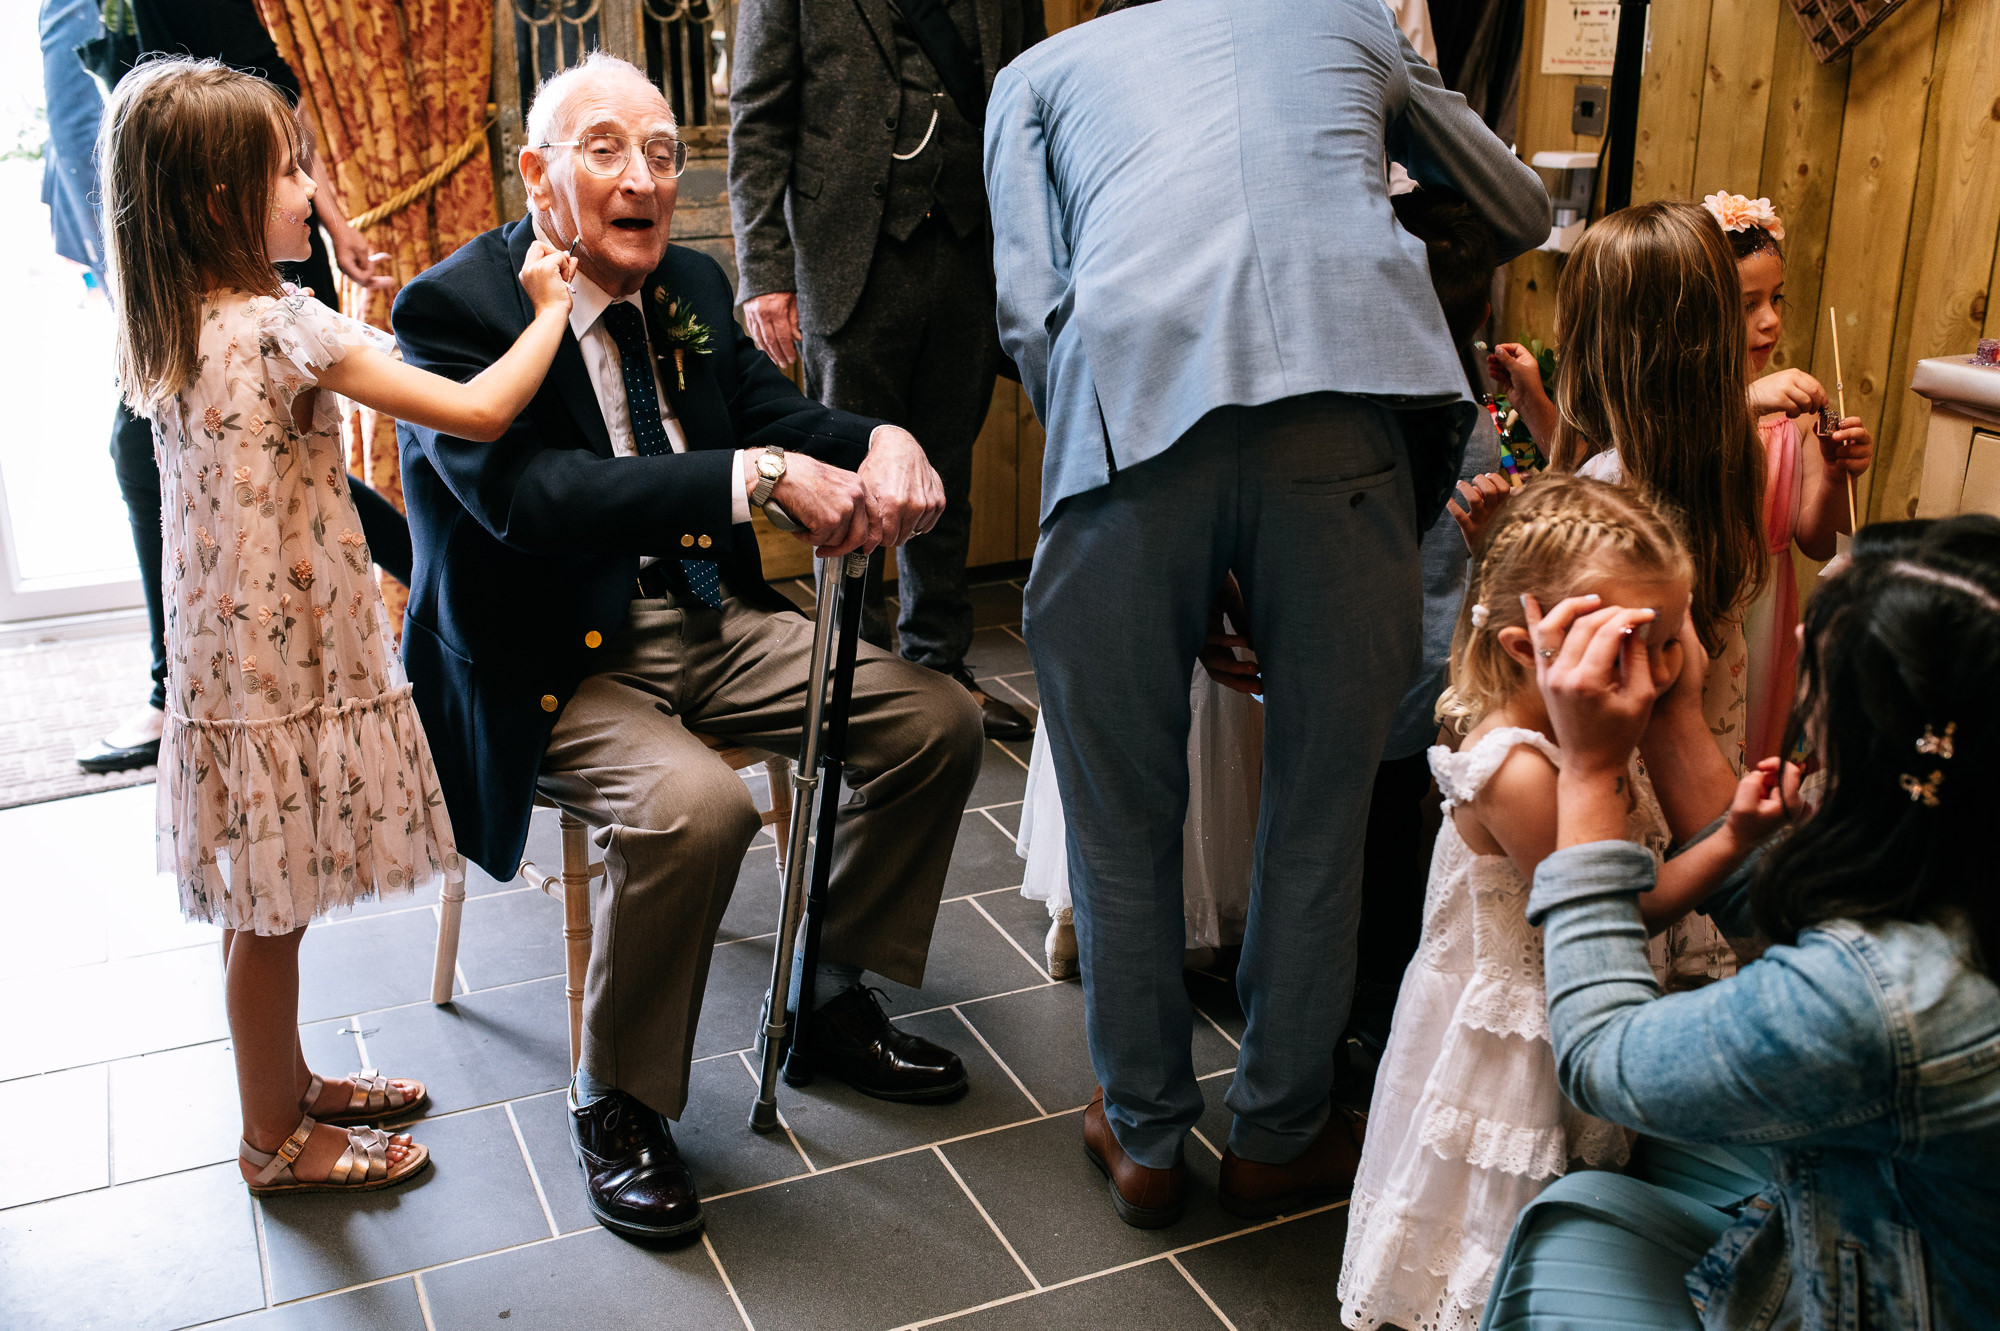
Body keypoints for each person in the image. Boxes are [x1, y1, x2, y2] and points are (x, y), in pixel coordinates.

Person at [392, 53, 985, 1244]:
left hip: (712, 612)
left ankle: (823, 990)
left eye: (662, 152)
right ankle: (615, 1097)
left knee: (939, 721)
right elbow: (532, 498)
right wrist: (746, 478)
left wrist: (880, 434)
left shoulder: (695, 284)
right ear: (538, 173)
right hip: (556, 648)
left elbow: (772, 418)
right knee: (696, 806)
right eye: (604, 148)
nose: (643, 177)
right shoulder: (453, 309)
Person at [985, 0, 1550, 1229]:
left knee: (1118, 804)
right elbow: (1514, 208)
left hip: (1125, 414)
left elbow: (1030, 313)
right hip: (1343, 405)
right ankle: (1279, 1132)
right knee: (1320, 800)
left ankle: (1140, 1135)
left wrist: (1126, 465)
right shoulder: (1348, 27)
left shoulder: (1036, 69)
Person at [100, 57, 578, 1197]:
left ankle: (288, 1079)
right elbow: (477, 407)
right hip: (285, 668)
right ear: (220, 201)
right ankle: (274, 1140)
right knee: (270, 917)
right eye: (289, 173)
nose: (312, 194)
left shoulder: (179, 324)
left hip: (231, 670)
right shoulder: (279, 328)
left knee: (261, 906)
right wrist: (551, 310)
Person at [1485, 515, 2000, 1330]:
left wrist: (1588, 768)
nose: (1795, 634)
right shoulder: (1965, 854)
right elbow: (1817, 926)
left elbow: (1598, 1054)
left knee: (1571, 1212)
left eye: (1822, 655)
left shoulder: (1889, 1000)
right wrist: (1675, 721)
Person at [1338, 477, 1754, 1331]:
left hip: (1562, 1014)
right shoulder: (1520, 769)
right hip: (1512, 1041)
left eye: (1673, 643)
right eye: (1638, 646)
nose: (1668, 677)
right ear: (1534, 649)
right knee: (1488, 1216)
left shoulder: (1596, 722)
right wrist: (1732, 840)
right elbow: (1622, 911)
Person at [76, 0, 403, 777]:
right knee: (198, 461)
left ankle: (228, 678)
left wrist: (329, 217)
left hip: (249, 244)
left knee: (298, 466)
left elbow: (274, 114)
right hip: (192, 262)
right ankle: (200, 682)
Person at [727, 0, 1044, 740]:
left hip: (972, 251)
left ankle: (941, 667)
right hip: (848, 256)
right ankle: (856, 681)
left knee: (947, 475)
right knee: (850, 480)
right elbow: (759, 118)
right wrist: (764, 272)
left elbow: (1033, 90)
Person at [1489, 201, 1770, 991]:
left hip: (1616, 776)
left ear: (1600, 338)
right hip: (1707, 748)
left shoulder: (1608, 494)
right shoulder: (1726, 461)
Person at [1702, 190, 1874, 763]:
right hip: (1702, 610)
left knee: (1755, 750)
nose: (1770, 320)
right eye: (1747, 304)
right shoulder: (1686, 411)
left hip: (1768, 616)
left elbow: (1818, 541)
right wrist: (1744, 400)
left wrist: (1833, 475)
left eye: (1775, 299)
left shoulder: (1793, 420)